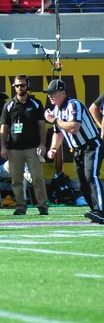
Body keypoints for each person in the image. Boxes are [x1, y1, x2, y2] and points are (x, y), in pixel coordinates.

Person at [44, 79, 104, 224]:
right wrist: (53, 148)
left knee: (91, 176)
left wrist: (54, 121)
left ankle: (101, 211)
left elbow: (73, 127)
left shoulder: (73, 104)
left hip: (91, 146)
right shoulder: (57, 110)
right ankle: (94, 210)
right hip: (77, 150)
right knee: (82, 184)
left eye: (53, 93)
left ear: (63, 93)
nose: (50, 96)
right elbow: (58, 133)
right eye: (48, 94)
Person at [0, 74, 48, 215]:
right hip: (14, 148)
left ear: (28, 86)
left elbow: (42, 126)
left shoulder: (36, 104)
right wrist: (3, 146)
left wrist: (43, 144)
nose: (19, 88)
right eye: (17, 85)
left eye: (22, 85)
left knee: (37, 177)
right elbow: (4, 127)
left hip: (33, 147)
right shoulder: (9, 106)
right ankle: (20, 206)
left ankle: (43, 206)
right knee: (17, 179)